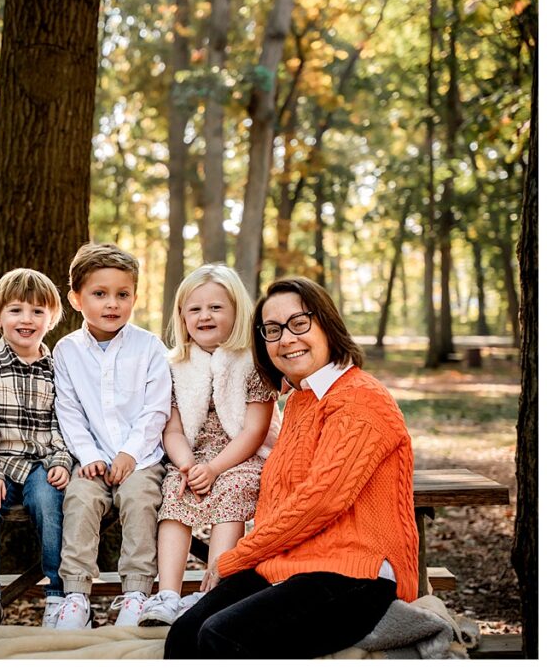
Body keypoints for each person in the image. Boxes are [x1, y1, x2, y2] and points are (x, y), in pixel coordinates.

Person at [164, 276, 420, 659]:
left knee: (222, 636)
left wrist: (237, 556)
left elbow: (319, 502)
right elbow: (278, 500)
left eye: (299, 323)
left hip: (356, 574)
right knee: (185, 634)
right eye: (272, 330)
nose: (286, 339)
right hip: (291, 563)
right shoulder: (300, 402)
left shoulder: (361, 399)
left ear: (327, 325)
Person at [139, 264, 279, 627]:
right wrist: (187, 466)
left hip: (243, 455)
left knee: (233, 489)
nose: (205, 315)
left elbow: (254, 431)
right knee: (174, 489)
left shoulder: (253, 361)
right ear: (182, 316)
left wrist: (216, 469)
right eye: (195, 309)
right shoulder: (173, 365)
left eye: (216, 307)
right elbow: (171, 431)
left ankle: (215, 589)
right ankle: (168, 594)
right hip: (193, 455)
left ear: (237, 312)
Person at [51, 243, 172, 630]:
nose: (112, 304)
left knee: (139, 499)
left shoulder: (149, 346)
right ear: (75, 298)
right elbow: (68, 410)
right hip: (91, 460)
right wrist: (87, 454)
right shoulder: (67, 350)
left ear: (135, 296)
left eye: (123, 295)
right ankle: (75, 597)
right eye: (99, 294)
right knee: (80, 500)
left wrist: (130, 454)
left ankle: (136, 591)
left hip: (141, 459)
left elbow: (156, 408)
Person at [0, 268, 73, 627]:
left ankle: (58, 594)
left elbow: (64, 421)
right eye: (16, 310)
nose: (27, 319)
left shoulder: (58, 369)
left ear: (52, 318)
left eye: (38, 311)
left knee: (49, 501)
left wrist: (60, 460)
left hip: (41, 462)